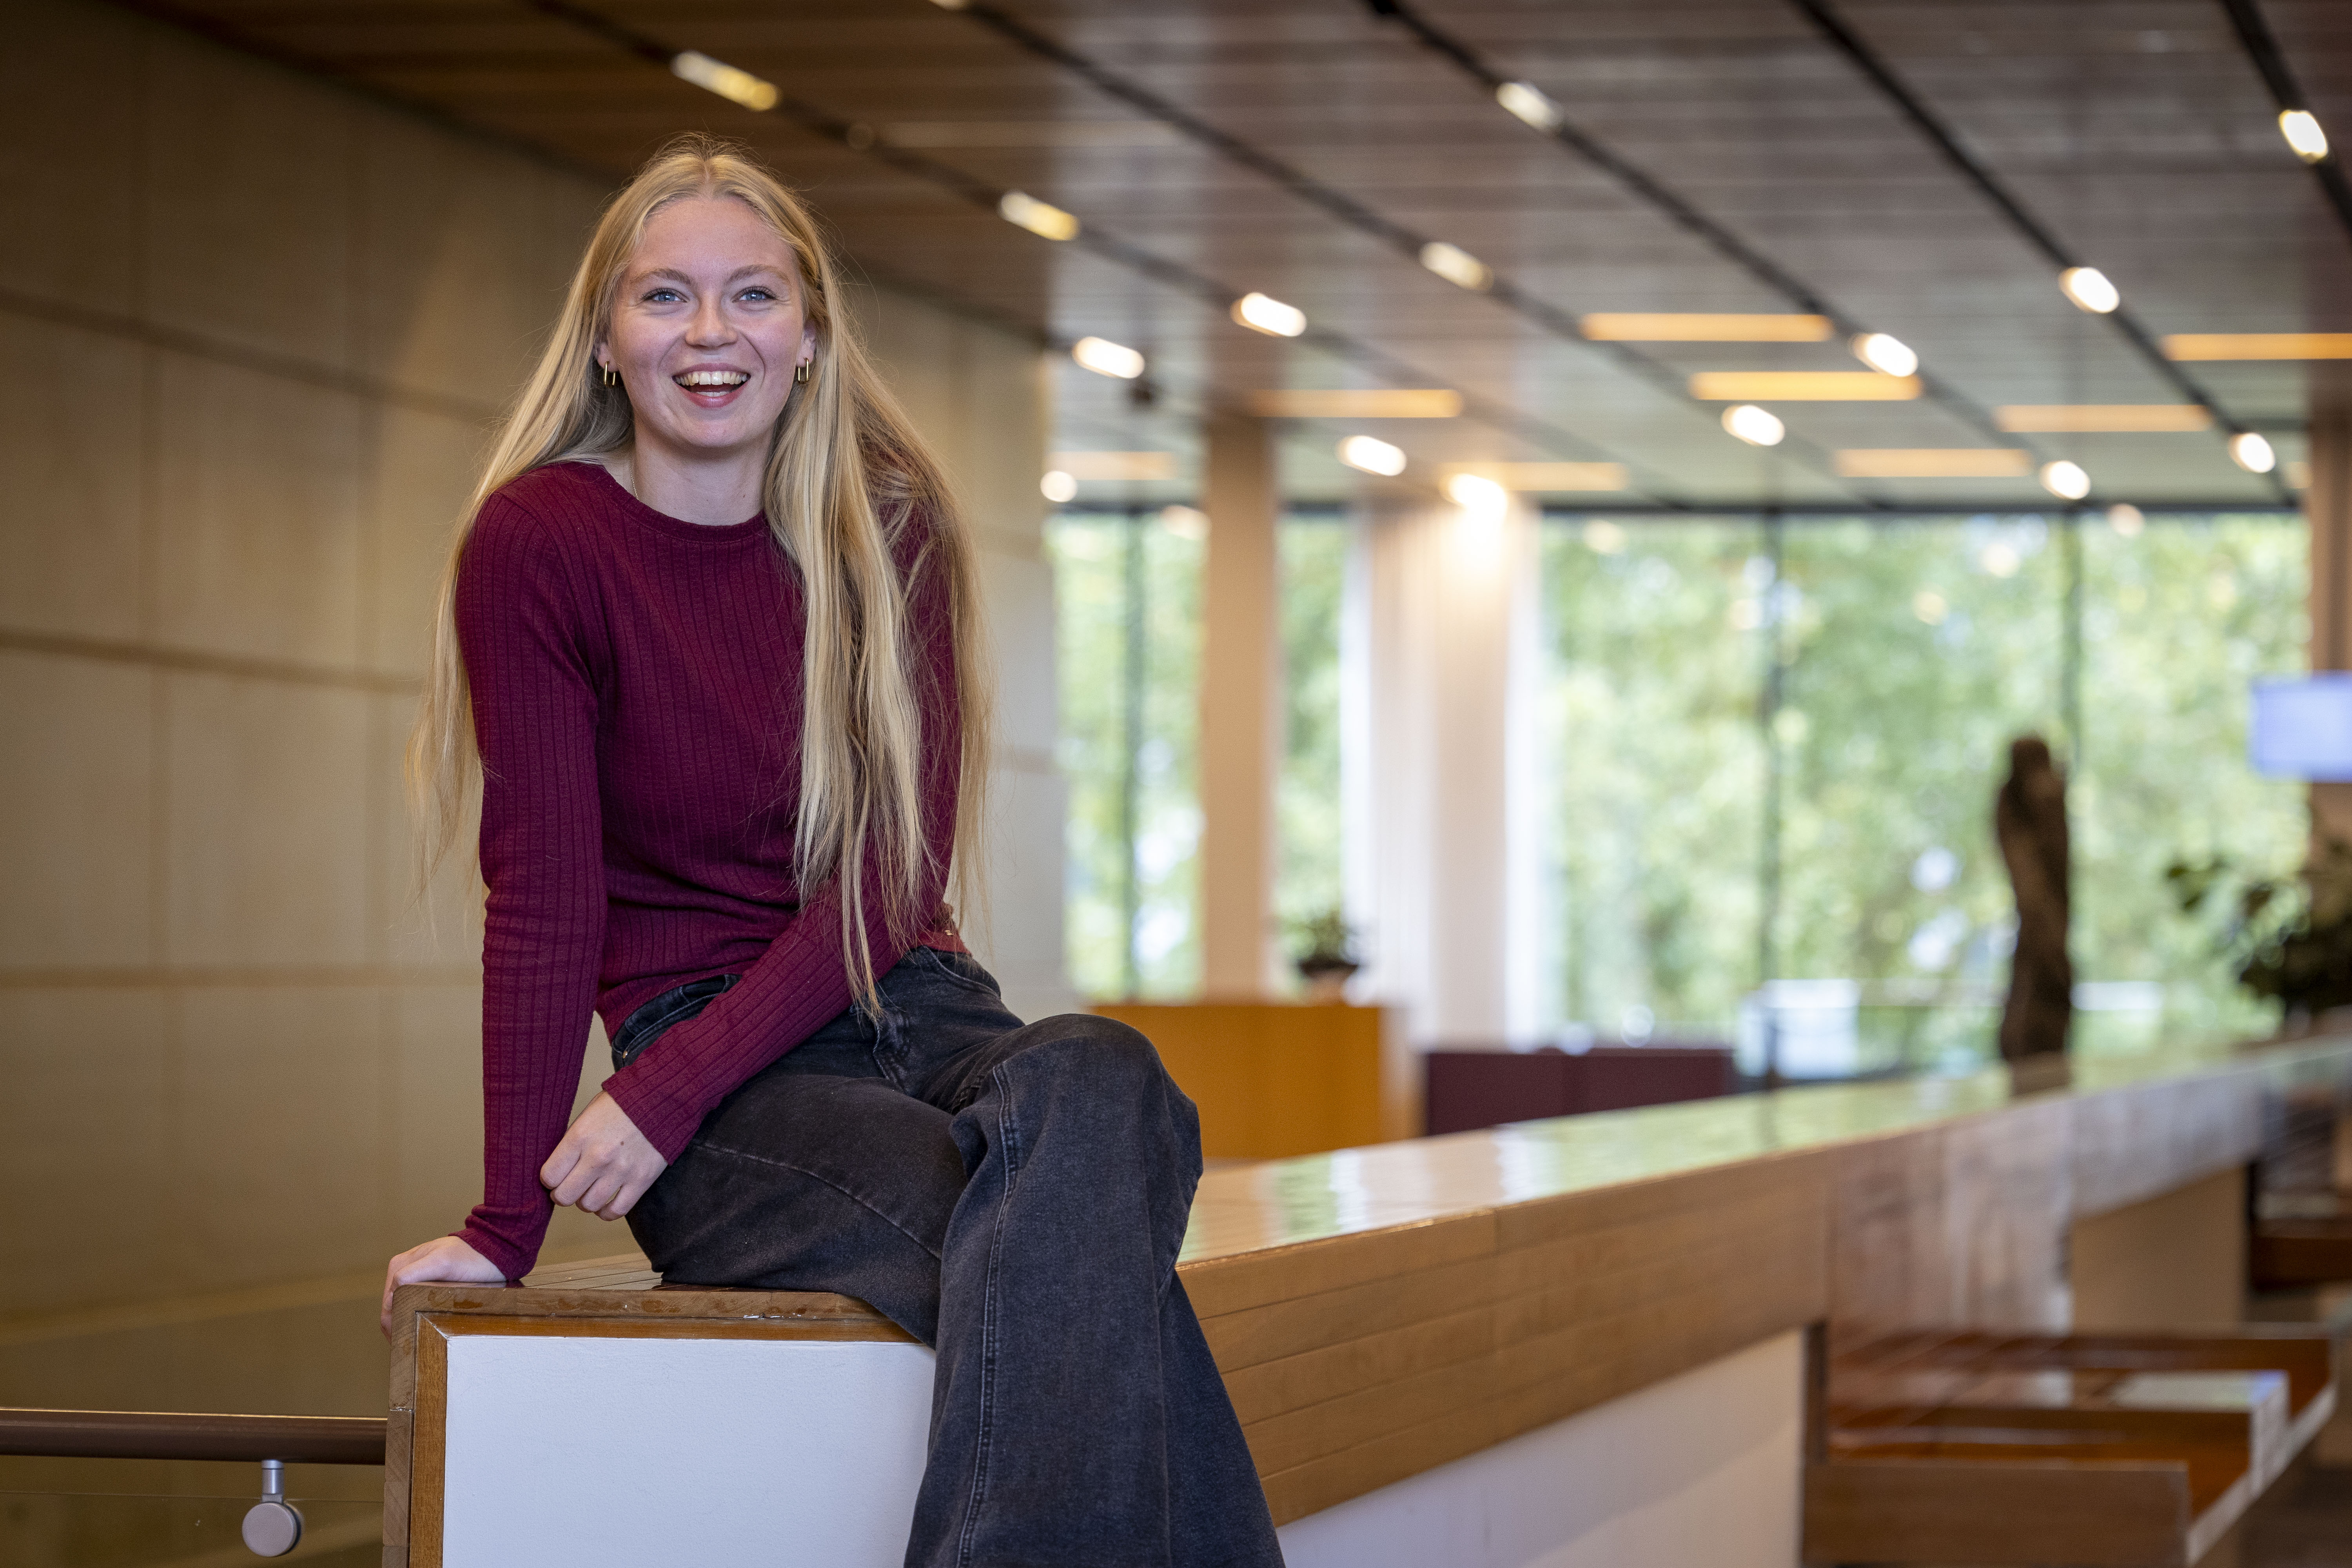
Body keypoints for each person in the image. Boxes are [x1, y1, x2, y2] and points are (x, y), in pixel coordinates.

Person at [378, 133, 1283, 1568]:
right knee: (1054, 1239)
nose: (711, 334)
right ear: (607, 339)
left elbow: (891, 882)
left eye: (754, 296)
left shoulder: (887, 525)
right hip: (728, 1096)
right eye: (664, 297)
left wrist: (652, 1094)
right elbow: (545, 896)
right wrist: (511, 1220)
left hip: (917, 1006)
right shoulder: (539, 543)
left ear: (808, 334)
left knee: (1108, 1083)